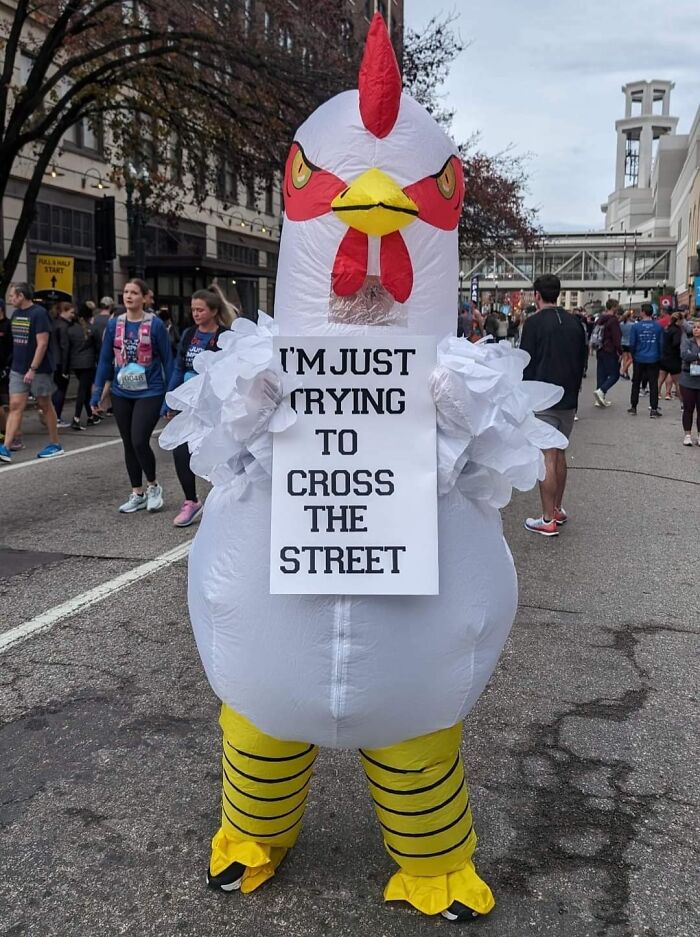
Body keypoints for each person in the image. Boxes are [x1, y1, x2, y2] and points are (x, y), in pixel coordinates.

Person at [90, 278, 173, 511]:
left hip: (150, 391)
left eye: (134, 292)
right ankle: (137, 492)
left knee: (139, 440)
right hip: (121, 391)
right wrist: (97, 393)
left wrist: (170, 397)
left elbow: (168, 359)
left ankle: (153, 486)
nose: (129, 296)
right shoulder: (114, 324)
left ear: (145, 297)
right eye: (126, 292)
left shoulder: (155, 325)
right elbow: (105, 360)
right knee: (128, 443)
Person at [519, 273, 586, 536]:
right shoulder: (575, 323)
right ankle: (557, 508)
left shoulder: (534, 324)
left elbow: (524, 360)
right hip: (568, 397)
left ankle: (547, 518)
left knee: (547, 454)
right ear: (557, 294)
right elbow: (583, 359)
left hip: (542, 395)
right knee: (559, 452)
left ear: (537, 295)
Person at [164, 285, 236, 526]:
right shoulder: (188, 335)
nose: (195, 314)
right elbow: (178, 367)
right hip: (190, 405)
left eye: (200, 309)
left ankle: (227, 501)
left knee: (219, 452)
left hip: (215, 407)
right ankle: (191, 501)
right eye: (193, 309)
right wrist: (171, 399)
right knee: (181, 450)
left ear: (213, 311)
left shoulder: (225, 335)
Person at [0, 283, 64, 462]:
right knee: (15, 406)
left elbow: (42, 343)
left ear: (21, 295)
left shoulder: (39, 313)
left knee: (45, 405)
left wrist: (33, 369)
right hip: (18, 369)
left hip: (39, 370)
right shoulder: (16, 314)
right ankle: (6, 447)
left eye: (12, 295)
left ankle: (55, 443)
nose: (10, 299)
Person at [628, 303, 664, 418]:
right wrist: (660, 356)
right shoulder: (658, 326)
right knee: (653, 384)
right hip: (653, 358)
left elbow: (632, 344)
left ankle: (633, 407)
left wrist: (633, 355)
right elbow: (661, 344)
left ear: (643, 312)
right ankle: (653, 409)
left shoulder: (636, 327)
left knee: (636, 382)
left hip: (639, 357)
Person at [68, 304, 100, 430]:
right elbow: (98, 347)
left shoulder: (71, 330)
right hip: (88, 363)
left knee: (84, 389)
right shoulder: (92, 329)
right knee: (83, 390)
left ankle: (91, 415)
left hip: (76, 363)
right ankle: (76, 417)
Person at [593, 299, 622, 408]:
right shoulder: (613, 320)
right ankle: (601, 391)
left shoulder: (600, 319)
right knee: (615, 374)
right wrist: (620, 352)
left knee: (601, 374)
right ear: (614, 307)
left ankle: (599, 398)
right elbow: (616, 338)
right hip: (610, 350)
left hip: (599, 348)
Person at [51, 301, 75, 427]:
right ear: (64, 311)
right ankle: (57, 417)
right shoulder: (64, 327)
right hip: (61, 362)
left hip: (53, 361)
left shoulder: (54, 323)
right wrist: (66, 369)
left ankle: (53, 416)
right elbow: (65, 348)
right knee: (61, 390)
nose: (73, 315)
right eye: (71, 312)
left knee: (55, 389)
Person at [679, 319, 700, 446]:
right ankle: (687, 435)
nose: (696, 329)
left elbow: (690, 355)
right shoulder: (687, 341)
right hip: (688, 379)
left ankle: (699, 435)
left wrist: (694, 354)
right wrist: (697, 356)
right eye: (695, 327)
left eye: (699, 327)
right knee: (688, 408)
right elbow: (685, 355)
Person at [658, 312, 682, 402]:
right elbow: (676, 343)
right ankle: (683, 404)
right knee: (678, 382)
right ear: (679, 320)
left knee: (660, 380)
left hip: (664, 357)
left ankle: (654, 401)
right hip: (674, 359)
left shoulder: (667, 329)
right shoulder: (677, 330)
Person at [0, 299, 11, 439]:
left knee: (7, 405)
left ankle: (9, 432)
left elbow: (12, 348)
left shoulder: (8, 325)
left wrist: (8, 367)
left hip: (5, 370)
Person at [619, 310, 634, 379]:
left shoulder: (621, 324)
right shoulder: (632, 325)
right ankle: (623, 370)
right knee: (631, 358)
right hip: (630, 342)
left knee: (625, 358)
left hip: (623, 341)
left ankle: (626, 373)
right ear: (629, 316)